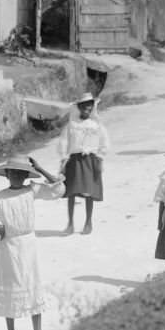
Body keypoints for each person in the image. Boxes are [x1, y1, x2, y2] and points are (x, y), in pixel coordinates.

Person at [0, 155, 65, 330]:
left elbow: (58, 190)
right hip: (9, 247)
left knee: (33, 286)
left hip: (28, 245)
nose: (16, 176)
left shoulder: (32, 190)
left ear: (25, 175)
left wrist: (40, 167)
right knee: (10, 290)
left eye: (20, 173)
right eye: (12, 172)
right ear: (6, 175)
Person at [57, 93, 110, 235]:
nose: (87, 107)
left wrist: (99, 158)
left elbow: (104, 143)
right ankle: (70, 223)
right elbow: (63, 142)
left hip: (90, 160)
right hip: (74, 160)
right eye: (84, 105)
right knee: (71, 192)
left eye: (90, 105)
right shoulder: (72, 125)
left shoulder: (96, 125)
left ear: (93, 107)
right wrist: (63, 159)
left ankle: (88, 222)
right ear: (79, 107)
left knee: (89, 192)